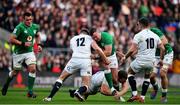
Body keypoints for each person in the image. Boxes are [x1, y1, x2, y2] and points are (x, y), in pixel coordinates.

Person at [43, 28, 110, 102]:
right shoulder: (89, 38)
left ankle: (49, 97)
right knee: (86, 84)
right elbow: (98, 49)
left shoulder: (73, 39)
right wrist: (105, 59)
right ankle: (79, 92)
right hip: (86, 60)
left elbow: (73, 49)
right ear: (87, 34)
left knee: (61, 78)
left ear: (80, 33)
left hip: (74, 59)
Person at [120, 17, 165, 103]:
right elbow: (163, 48)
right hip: (151, 61)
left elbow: (132, 50)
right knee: (147, 77)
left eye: (137, 24)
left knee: (130, 73)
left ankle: (134, 94)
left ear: (140, 24)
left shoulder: (138, 35)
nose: (137, 26)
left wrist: (125, 57)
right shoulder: (155, 36)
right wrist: (161, 60)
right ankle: (143, 98)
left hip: (141, 60)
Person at [1, 11, 42, 98]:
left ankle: (30, 92)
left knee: (33, 69)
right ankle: (6, 84)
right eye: (27, 20)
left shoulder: (35, 27)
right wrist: (23, 43)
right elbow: (11, 39)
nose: (29, 21)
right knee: (15, 73)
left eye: (30, 19)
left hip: (29, 52)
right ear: (23, 19)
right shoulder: (19, 27)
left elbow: (38, 35)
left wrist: (39, 45)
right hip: (18, 53)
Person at [90, 28, 119, 95]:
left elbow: (108, 52)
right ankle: (114, 92)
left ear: (98, 32)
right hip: (102, 57)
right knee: (106, 68)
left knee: (115, 79)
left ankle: (118, 92)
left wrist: (96, 56)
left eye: (95, 36)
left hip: (111, 56)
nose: (95, 38)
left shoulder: (107, 37)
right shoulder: (93, 40)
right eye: (93, 37)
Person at [149, 27, 174, 103]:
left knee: (162, 74)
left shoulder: (154, 30)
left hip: (166, 53)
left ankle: (164, 96)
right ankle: (156, 88)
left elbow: (165, 42)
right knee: (151, 77)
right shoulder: (141, 35)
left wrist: (161, 58)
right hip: (155, 56)